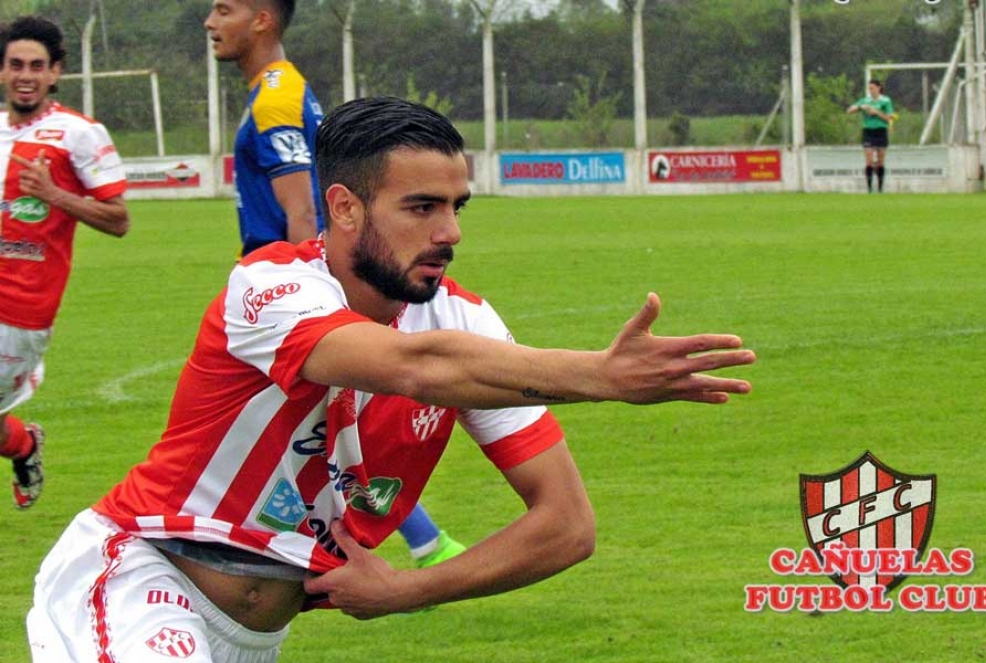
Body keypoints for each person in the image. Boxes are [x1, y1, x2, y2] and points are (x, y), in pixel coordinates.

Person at [28, 96, 755, 662]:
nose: (450, 232)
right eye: (421, 207)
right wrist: (601, 375)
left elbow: (565, 526)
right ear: (344, 207)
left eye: (455, 206)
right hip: (138, 575)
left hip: (252, 637)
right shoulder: (271, 284)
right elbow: (415, 367)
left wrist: (408, 588)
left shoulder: (466, 323)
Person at [205, 0, 463, 568]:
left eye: (223, 9)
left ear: (262, 19)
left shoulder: (275, 98)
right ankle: (423, 540)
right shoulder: (282, 89)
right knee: (328, 437)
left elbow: (302, 210)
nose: (210, 22)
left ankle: (415, 545)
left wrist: (320, 298)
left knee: (311, 438)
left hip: (292, 302)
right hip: (301, 296)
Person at [0, 15, 129, 510]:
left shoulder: (78, 134)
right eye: (16, 65)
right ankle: (23, 444)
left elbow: (118, 219)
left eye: (37, 65)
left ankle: (23, 444)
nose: (26, 74)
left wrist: (54, 194)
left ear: (55, 72)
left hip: (22, 309)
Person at [846, 79, 895, 193]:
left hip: (881, 131)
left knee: (880, 161)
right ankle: (869, 189)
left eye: (872, 88)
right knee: (868, 160)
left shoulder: (885, 100)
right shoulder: (865, 100)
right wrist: (860, 107)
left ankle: (880, 188)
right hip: (868, 131)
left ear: (879, 88)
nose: (870, 90)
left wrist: (876, 112)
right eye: (869, 88)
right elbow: (849, 110)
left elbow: (890, 118)